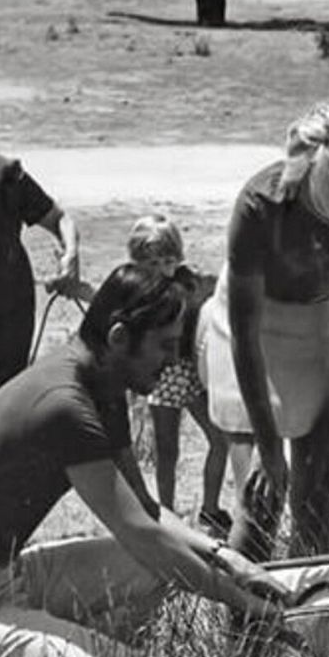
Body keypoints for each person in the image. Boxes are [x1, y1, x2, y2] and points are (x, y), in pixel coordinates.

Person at [0, 264, 291, 657]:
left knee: (151, 574)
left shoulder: (100, 384)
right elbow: (140, 535)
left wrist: (226, 557)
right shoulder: (65, 405)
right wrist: (245, 603)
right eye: (164, 346)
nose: (173, 361)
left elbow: (148, 510)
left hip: (12, 575)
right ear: (117, 337)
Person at [198, 101, 329, 562]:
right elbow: (246, 337)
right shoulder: (260, 205)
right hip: (257, 331)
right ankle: (246, 623)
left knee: (316, 488)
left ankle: (312, 615)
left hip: (325, 326)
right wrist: (270, 446)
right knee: (260, 498)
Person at [0, 86, 84, 434]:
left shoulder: (5, 175)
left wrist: (70, 254)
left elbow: (59, 219)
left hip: (8, 317)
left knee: (2, 412)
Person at [126, 214, 241, 536]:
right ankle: (166, 512)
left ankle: (210, 509)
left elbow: (218, 288)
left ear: (178, 257)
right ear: (138, 263)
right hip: (161, 377)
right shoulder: (138, 292)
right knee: (167, 450)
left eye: (167, 260)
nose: (161, 269)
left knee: (220, 439)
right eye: (151, 263)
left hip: (192, 372)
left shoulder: (188, 281)